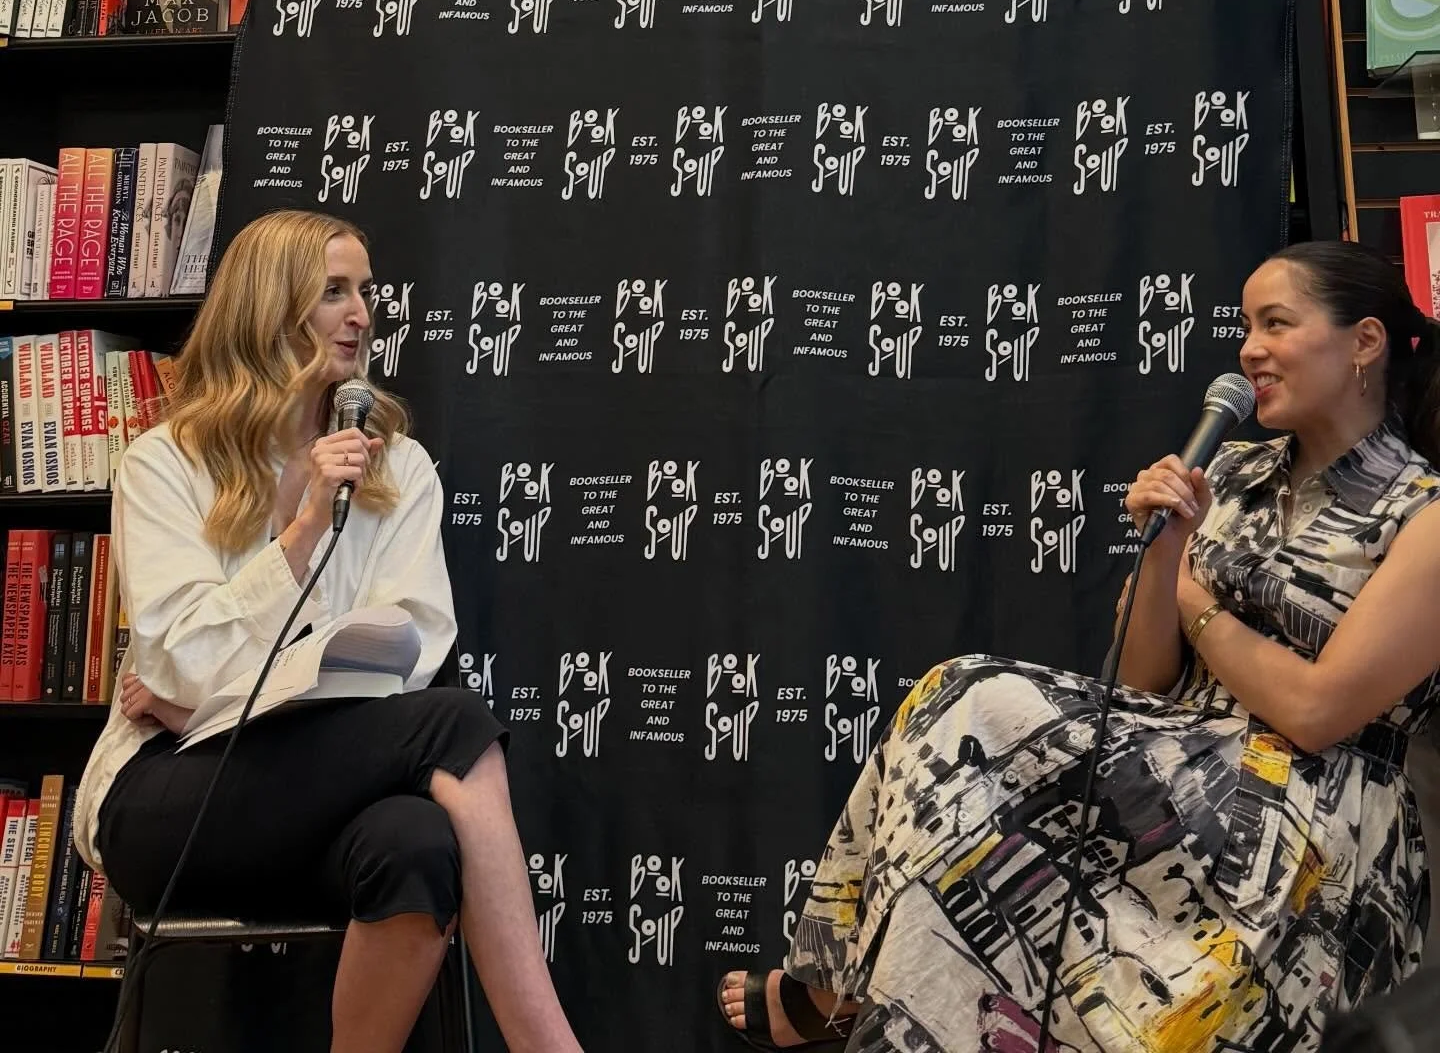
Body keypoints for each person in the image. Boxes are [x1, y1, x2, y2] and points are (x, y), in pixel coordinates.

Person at [718, 242, 1440, 1053]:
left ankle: (833, 983)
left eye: (1277, 323)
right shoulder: (1231, 474)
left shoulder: (1423, 515)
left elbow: (1318, 710)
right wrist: (1165, 548)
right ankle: (865, 987)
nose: (1248, 350)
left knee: (973, 697)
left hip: (1313, 822)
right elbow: (1142, 683)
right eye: (1245, 326)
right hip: (1175, 764)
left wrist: (1193, 598)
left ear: (1365, 342)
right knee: (958, 750)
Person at [74, 209, 585, 1053]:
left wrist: (212, 697)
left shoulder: (399, 468)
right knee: (455, 722)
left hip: (318, 781)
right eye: (334, 294)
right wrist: (300, 532)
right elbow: (175, 657)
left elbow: (405, 651)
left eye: (366, 294)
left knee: (417, 844)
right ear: (269, 309)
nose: (361, 315)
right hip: (171, 795)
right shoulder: (164, 463)